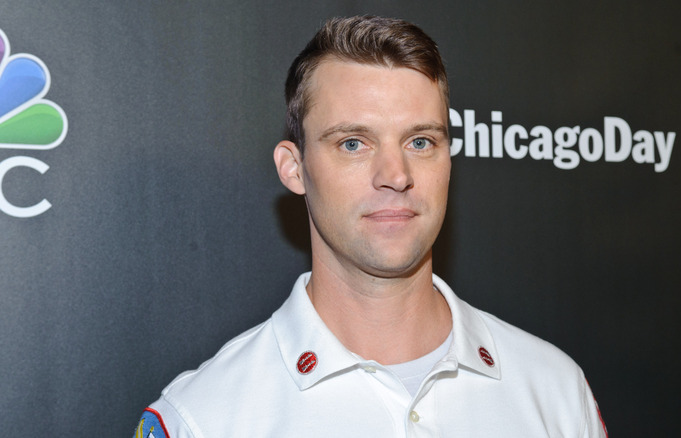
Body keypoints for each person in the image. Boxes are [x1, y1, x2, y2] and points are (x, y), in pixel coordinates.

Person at [134, 15, 608, 437]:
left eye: (421, 141)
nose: (396, 175)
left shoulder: (555, 391)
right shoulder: (202, 418)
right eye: (353, 144)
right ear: (294, 168)